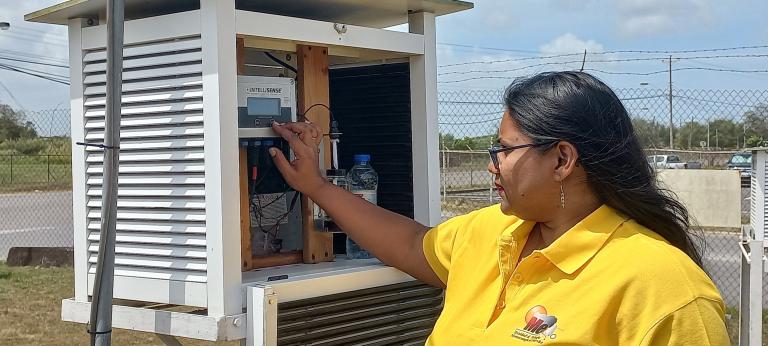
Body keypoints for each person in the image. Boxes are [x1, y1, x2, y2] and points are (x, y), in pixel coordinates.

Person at [268, 71, 730, 345]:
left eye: (505, 150)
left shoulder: (664, 289)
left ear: (563, 160)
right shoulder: (494, 233)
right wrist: (318, 187)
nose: (493, 165)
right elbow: (410, 242)